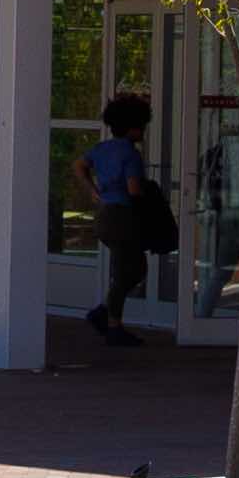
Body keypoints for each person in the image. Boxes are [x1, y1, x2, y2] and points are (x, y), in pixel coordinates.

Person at [75, 90, 171, 344]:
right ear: (132, 128)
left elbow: (79, 165)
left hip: (105, 215)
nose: (143, 131)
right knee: (133, 270)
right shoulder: (130, 154)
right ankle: (111, 322)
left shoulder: (102, 149)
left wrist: (94, 192)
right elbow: (134, 189)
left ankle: (108, 315)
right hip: (124, 217)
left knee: (126, 268)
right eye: (141, 127)